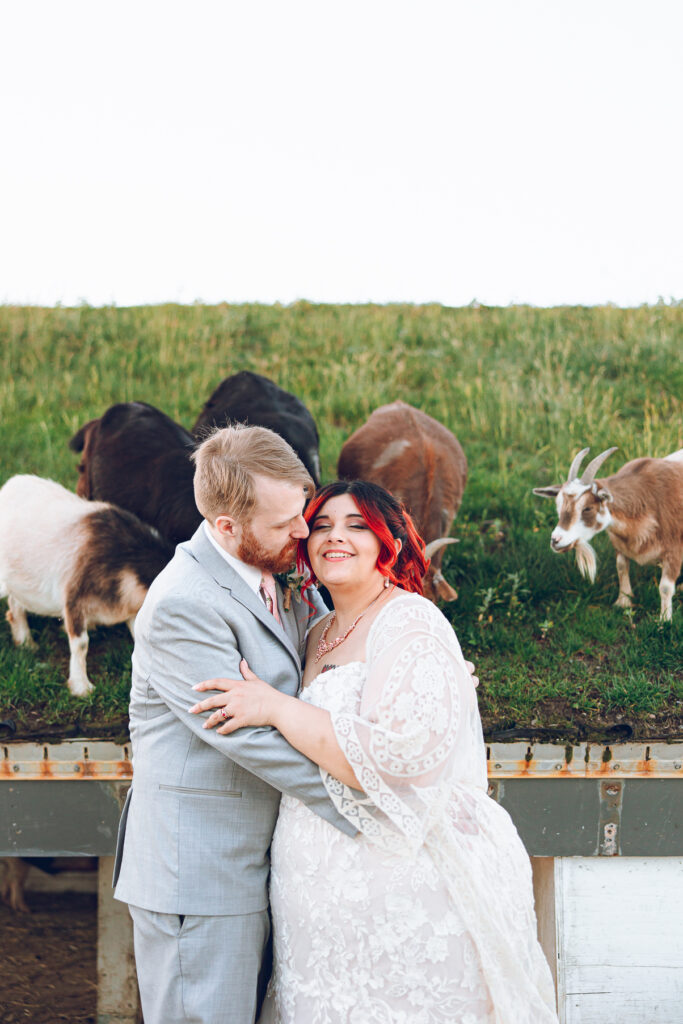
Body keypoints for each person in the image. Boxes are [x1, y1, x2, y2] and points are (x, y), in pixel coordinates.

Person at [191, 480, 559, 1024]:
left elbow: (401, 758)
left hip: (402, 889)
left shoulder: (410, 620)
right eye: (321, 526)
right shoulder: (316, 632)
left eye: (357, 526)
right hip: (316, 895)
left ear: (389, 542)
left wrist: (275, 708)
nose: (335, 537)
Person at [112, 426, 362, 1024]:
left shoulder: (273, 567)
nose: (304, 532)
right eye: (285, 524)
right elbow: (249, 738)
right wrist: (363, 801)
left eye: (301, 512)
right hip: (198, 876)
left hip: (262, 858)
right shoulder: (183, 604)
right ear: (227, 526)